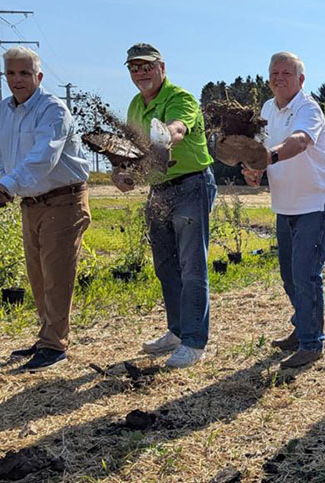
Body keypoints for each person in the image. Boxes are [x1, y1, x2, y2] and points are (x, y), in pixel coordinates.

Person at [114, 43, 216, 368]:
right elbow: (131, 150)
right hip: (159, 189)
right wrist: (122, 173)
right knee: (166, 266)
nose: (140, 72)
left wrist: (165, 137)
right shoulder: (134, 105)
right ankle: (176, 329)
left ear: (162, 67)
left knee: (192, 267)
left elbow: (178, 128)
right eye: (134, 68)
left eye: (146, 66)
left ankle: (194, 342)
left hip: (190, 185)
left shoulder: (180, 98)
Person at [0, 46, 91, 372]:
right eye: (11, 73)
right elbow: (8, 156)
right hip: (31, 202)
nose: (17, 80)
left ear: (39, 76)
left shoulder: (53, 111)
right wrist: (2, 185)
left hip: (64, 199)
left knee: (56, 274)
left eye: (24, 73)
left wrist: (7, 185)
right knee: (37, 275)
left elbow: (43, 158)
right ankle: (46, 336)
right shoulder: (3, 111)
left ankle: (55, 345)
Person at [242, 52, 325, 369]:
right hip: (285, 205)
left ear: (300, 79)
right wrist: (254, 170)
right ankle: (303, 327)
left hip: (315, 203)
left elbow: (300, 141)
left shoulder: (308, 108)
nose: (279, 77)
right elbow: (258, 152)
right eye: (274, 72)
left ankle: (312, 344)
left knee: (305, 274)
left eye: (286, 72)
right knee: (288, 274)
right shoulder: (267, 110)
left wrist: (268, 159)